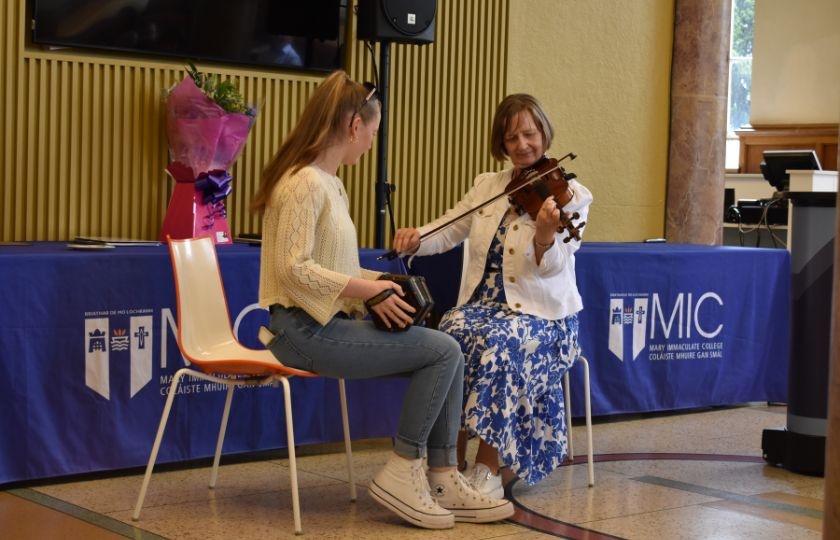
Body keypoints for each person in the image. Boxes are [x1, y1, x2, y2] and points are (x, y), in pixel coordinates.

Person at [251, 70, 513, 530]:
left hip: (321, 323)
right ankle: (404, 470)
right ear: (355, 125)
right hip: (299, 331)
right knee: (442, 350)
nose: (373, 141)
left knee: (443, 348)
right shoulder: (305, 183)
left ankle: (442, 474)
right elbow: (294, 269)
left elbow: (338, 269)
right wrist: (370, 290)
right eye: (373, 130)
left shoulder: (330, 183)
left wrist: (382, 284)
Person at [392, 93, 593, 496]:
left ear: (544, 133)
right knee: (449, 330)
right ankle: (446, 462)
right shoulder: (489, 185)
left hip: (544, 319)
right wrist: (416, 240)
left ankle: (487, 466)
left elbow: (554, 266)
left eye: (529, 134)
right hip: (482, 308)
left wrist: (545, 236)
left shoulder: (574, 195)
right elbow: (449, 228)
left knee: (501, 343)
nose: (522, 145)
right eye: (511, 137)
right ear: (501, 144)